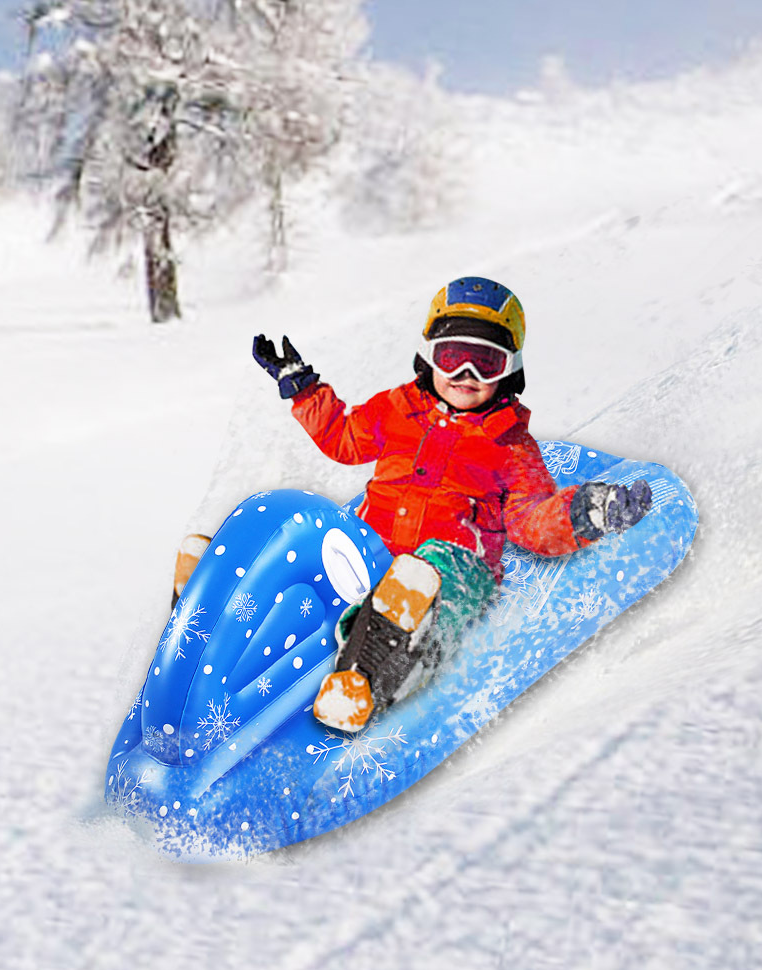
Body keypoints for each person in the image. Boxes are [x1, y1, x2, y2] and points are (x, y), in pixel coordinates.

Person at [241, 276, 652, 732]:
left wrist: (585, 511)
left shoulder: (512, 448)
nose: (466, 376)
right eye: (453, 357)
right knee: (306, 549)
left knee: (427, 573)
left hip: (456, 570)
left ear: (509, 370)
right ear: (429, 357)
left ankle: (375, 675)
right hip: (374, 553)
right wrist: (303, 389)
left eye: (486, 363)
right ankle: (228, 621)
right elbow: (345, 440)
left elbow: (532, 522)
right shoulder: (396, 409)